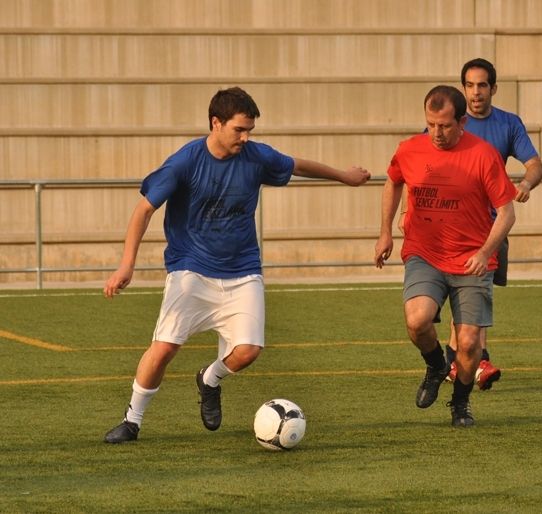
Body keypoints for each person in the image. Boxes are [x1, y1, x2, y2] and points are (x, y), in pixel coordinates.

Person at [103, 87, 370, 443]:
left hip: (243, 270)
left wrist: (344, 176)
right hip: (191, 269)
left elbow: (297, 164)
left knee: (248, 351)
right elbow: (144, 209)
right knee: (164, 347)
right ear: (216, 123)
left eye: (250, 131)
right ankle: (132, 421)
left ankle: (209, 378)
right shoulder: (185, 162)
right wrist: (126, 265)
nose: (245, 138)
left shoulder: (256, 157)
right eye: (239, 130)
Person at [374, 85, 516, 427]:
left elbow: (507, 212)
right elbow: (392, 181)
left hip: (471, 260)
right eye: (431, 124)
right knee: (416, 320)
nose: (436, 133)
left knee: (469, 344)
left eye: (445, 126)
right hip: (425, 253)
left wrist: (485, 252)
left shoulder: (483, 155)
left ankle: (460, 403)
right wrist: (385, 231)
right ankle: (437, 365)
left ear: (462, 121)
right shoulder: (409, 149)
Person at [444, 57, 542, 390]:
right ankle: (470, 361)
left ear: (493, 88)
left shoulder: (508, 124)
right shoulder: (451, 123)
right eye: (470, 86)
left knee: (476, 291)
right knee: (468, 294)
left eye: (482, 85)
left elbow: (534, 164)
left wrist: (527, 184)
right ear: (463, 89)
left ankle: (459, 363)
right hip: (454, 226)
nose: (476, 93)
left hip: (492, 225)